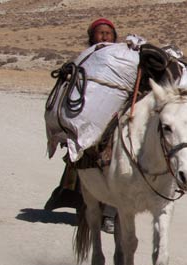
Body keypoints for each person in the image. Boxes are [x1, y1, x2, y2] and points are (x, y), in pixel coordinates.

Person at [44, 18, 120, 232]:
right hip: (91, 120)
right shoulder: (85, 60)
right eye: (100, 33)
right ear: (91, 37)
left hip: (117, 119)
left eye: (108, 33)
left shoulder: (125, 60)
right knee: (85, 163)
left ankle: (111, 214)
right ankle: (85, 207)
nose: (104, 36)